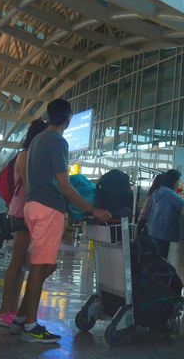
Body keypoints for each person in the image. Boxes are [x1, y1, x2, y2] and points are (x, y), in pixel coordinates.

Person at [11, 99, 111, 343]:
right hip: (48, 208)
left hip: (32, 206)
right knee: (39, 266)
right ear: (68, 119)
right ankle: (32, 325)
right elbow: (64, 186)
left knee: (46, 265)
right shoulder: (58, 141)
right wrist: (92, 209)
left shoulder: (36, 141)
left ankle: (23, 316)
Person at [0, 119, 48, 328]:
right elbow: (30, 184)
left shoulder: (29, 155)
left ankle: (11, 309)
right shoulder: (25, 155)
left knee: (21, 264)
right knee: (17, 262)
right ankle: (3, 311)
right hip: (22, 212)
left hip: (26, 210)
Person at [146, 169, 184, 260]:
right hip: (164, 232)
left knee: (155, 258)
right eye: (178, 181)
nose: (179, 184)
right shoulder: (171, 195)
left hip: (153, 231)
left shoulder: (158, 191)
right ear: (174, 181)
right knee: (162, 259)